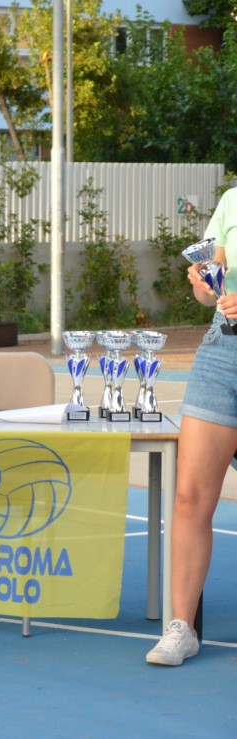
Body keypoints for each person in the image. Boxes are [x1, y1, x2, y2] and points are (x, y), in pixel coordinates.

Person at [146, 186, 237, 666]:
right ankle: (181, 628)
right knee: (190, 496)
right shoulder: (232, 201)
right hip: (222, 352)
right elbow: (209, 289)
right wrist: (202, 280)